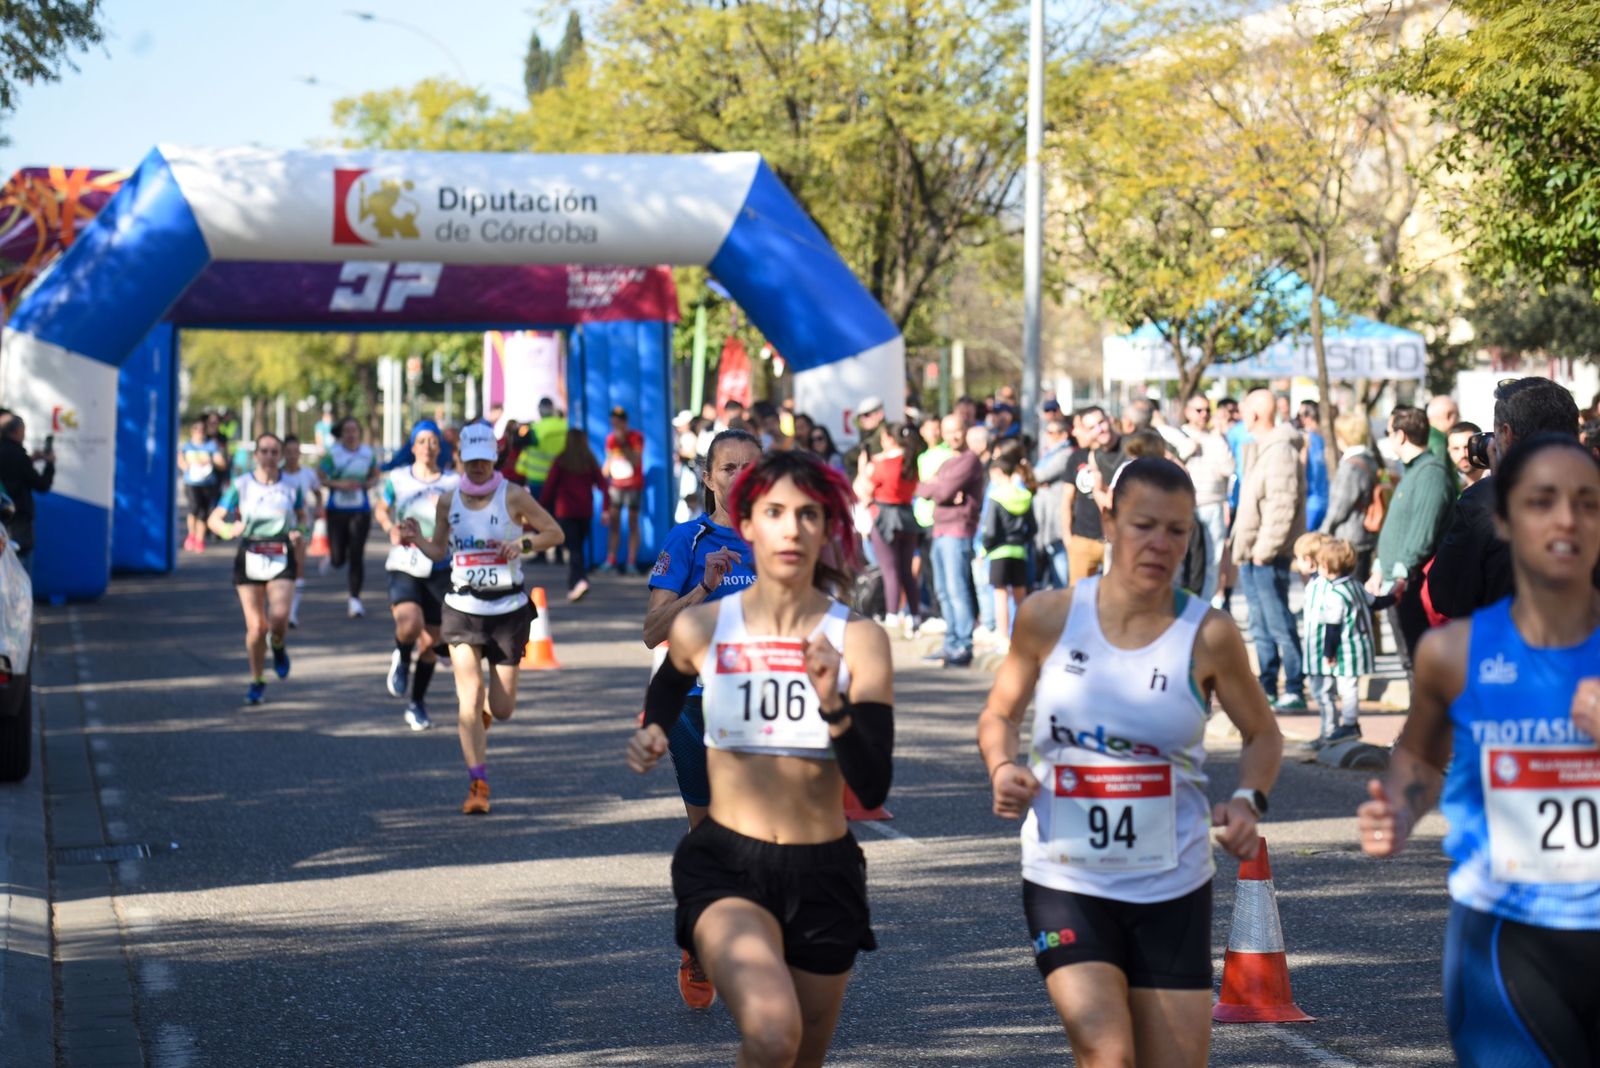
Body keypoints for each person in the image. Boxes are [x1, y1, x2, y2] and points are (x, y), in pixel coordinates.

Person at [978, 456, 1283, 1068]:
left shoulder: (1209, 633)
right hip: (1066, 876)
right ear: (1110, 521)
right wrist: (1001, 765)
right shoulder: (1049, 616)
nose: (1160, 544)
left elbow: (1262, 735)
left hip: (1172, 880)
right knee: (1108, 1052)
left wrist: (1249, 800)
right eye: (1145, 525)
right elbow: (1000, 715)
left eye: (1178, 531)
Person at [627, 449, 894, 1059]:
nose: (791, 528)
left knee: (799, 1055)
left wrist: (836, 708)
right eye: (775, 512)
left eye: (808, 515)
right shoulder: (703, 627)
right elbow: (668, 682)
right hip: (726, 864)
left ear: (827, 529)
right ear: (747, 525)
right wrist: (655, 731)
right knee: (773, 1033)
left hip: (824, 872)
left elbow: (873, 784)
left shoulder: (859, 641)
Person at [1357, 435, 1600, 1068]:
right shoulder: (1454, 655)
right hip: (1504, 940)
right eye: (1542, 501)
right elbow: (1419, 753)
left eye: (1587, 503)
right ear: (1504, 517)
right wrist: (1399, 810)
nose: (1567, 519)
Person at [642, 427, 762, 1009]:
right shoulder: (688, 540)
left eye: (751, 467)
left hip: (763, 707)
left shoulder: (780, 540)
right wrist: (701, 592)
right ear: (709, 477)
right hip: (696, 704)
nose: (740, 477)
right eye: (729, 468)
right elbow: (650, 633)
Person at [398, 421, 564, 815]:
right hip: (462, 608)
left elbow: (554, 533)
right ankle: (478, 783)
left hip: (507, 611)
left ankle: (486, 716)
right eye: (470, 461)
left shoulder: (515, 497)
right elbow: (439, 551)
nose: (477, 467)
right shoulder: (447, 500)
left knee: (502, 709)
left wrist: (522, 542)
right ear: (461, 459)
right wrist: (416, 539)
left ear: (494, 458)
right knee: (468, 697)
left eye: (484, 461)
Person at [1426, 377, 1591, 621]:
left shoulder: (1484, 501)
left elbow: (1446, 595)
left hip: (1509, 650)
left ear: (1505, 434)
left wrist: (1501, 480)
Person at [207, 433, 307, 706]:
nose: (270, 456)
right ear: (256, 455)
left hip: (280, 551)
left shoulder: (291, 485)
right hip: (250, 553)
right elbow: (214, 519)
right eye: (264, 451)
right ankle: (257, 679)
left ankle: (278, 643)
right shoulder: (240, 485)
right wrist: (229, 529)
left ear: (281, 456)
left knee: (278, 618)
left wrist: (299, 531)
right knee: (255, 626)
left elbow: (301, 515)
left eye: (275, 451)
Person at [373, 421, 459, 732]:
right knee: (409, 622)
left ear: (439, 446)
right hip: (405, 561)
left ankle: (417, 703)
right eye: (421, 441)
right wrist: (390, 528)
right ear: (413, 447)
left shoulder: (453, 481)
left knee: (434, 643)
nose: (427, 446)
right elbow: (382, 509)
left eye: (433, 441)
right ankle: (401, 654)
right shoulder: (398, 478)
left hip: (440, 566)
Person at [1230, 388, 1307, 711]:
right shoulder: (1261, 447)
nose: (1240, 415)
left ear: (1257, 414)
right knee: (1260, 624)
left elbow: (1282, 505)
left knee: (1277, 622)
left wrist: (1264, 548)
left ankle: (1293, 687)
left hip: (1266, 553)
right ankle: (1268, 686)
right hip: (1251, 551)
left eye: (1245, 410)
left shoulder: (1279, 450)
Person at [1372, 405, 1456, 661]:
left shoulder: (1431, 473)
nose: (1388, 438)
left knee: (1417, 659)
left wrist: (1399, 574)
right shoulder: (1413, 471)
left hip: (1409, 584)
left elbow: (1422, 533)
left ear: (1400, 435)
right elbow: (1399, 527)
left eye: (1388, 432)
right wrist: (1379, 567)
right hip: (1396, 581)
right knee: (1409, 657)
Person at [1302, 536, 1395, 748]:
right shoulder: (1355, 585)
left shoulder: (1335, 594)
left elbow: (1332, 628)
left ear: (1325, 566)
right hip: (1356, 647)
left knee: (1346, 688)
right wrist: (1395, 596)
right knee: (1346, 687)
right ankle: (1339, 726)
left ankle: (1349, 724)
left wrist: (1328, 653)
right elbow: (1376, 602)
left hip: (1345, 651)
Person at [916, 415, 984, 667]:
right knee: (943, 591)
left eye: (957, 431)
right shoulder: (948, 463)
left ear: (965, 431)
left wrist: (940, 489)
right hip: (939, 530)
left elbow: (939, 491)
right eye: (948, 432)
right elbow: (921, 489)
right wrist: (940, 489)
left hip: (958, 531)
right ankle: (950, 643)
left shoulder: (970, 461)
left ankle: (963, 645)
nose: (952, 436)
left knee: (957, 590)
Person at [861, 420, 923, 637]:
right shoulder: (912, 461)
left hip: (885, 516)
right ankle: (914, 616)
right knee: (906, 571)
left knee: (890, 570)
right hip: (907, 515)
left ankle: (892, 617)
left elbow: (864, 491)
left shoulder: (883, 464)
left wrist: (864, 468)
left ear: (888, 439)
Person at [318, 417, 380, 618]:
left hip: (359, 509)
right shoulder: (334, 454)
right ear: (342, 434)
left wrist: (369, 483)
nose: (351, 434)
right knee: (338, 559)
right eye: (347, 431)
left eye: (354, 430)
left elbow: (375, 474)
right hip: (337, 509)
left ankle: (355, 600)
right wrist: (339, 485)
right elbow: (320, 475)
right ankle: (332, 558)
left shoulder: (367, 453)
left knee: (356, 554)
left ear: (359, 433)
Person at [540, 427, 608, 602]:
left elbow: (549, 486)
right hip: (585, 510)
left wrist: (540, 508)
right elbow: (603, 485)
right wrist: (606, 507)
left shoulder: (561, 460)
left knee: (573, 548)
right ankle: (578, 581)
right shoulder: (589, 460)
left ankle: (578, 582)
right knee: (578, 547)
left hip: (565, 510)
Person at [1178, 395, 1234, 602]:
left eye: (1207, 410)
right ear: (1187, 411)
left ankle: (1205, 604)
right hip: (1186, 506)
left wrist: (1218, 437)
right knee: (1185, 558)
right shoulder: (1179, 435)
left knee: (1213, 559)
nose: (1204, 415)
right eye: (1198, 410)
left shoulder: (1215, 438)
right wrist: (1186, 449)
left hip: (1212, 504)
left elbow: (1228, 468)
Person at [1061, 407, 1122, 584]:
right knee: (1079, 600)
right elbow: (1067, 499)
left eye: (1101, 423)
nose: (1099, 430)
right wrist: (1067, 537)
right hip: (1083, 538)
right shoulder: (1078, 457)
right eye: (1091, 426)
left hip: (1116, 540)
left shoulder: (1124, 450)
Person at [981, 446, 1035, 642]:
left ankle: (1003, 637)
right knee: (1021, 595)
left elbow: (991, 530)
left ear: (997, 472)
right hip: (1019, 550)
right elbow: (1032, 527)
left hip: (998, 552)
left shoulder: (995, 497)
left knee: (1001, 596)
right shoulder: (1025, 496)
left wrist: (985, 548)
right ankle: (1024, 636)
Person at [1320, 411, 1381, 584]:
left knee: (1348, 589)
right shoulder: (1370, 460)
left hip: (1350, 536)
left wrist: (1323, 532)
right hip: (1366, 533)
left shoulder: (1351, 467)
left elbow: (1339, 507)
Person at [0, 413, 55, 577]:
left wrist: (30, 459)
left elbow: (10, 472)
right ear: (17, 431)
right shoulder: (18, 456)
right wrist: (50, 465)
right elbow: (42, 485)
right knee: (21, 572)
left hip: (3, 520)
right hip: (19, 521)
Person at [279, 436, 323, 629]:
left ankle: (292, 612)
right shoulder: (278, 474)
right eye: (288, 452)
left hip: (302, 524)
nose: (292, 456)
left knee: (298, 563)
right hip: (280, 527)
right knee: (281, 566)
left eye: (295, 452)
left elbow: (318, 492)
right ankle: (281, 606)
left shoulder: (307, 474)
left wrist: (320, 508)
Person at [1032, 415, 1074, 590]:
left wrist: (1036, 480)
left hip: (1057, 521)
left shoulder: (1065, 454)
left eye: (1052, 432)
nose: (1048, 436)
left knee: (1061, 568)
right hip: (1046, 520)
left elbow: (1038, 476)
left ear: (1063, 435)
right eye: (1047, 432)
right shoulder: (1049, 453)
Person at [603, 406, 647, 575]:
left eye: (618, 423)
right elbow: (608, 461)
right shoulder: (610, 439)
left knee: (632, 523)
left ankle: (631, 561)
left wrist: (623, 443)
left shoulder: (636, 437)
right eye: (613, 423)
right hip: (616, 485)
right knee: (614, 523)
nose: (616, 426)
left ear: (624, 422)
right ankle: (611, 559)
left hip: (633, 486)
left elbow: (636, 461)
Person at [178, 417, 225, 553]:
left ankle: (199, 539)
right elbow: (180, 460)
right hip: (192, 482)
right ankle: (191, 535)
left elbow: (221, 463)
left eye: (202, 430)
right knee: (194, 509)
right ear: (192, 431)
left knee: (203, 512)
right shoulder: (187, 446)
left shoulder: (210, 445)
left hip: (207, 483)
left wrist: (213, 460)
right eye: (197, 430)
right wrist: (185, 465)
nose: (200, 432)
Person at [1298, 400, 1330, 532]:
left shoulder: (1307, 439)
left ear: (1307, 417)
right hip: (1328, 500)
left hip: (1310, 500)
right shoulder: (1328, 438)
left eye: (1299, 415)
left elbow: (1301, 466)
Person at [1426, 394, 1462, 495]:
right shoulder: (1439, 442)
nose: (1459, 420)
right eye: (1458, 415)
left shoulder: (1424, 436)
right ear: (1448, 416)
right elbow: (1441, 482)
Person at [1447, 420, 1488, 489]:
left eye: (1467, 447)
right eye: (1456, 449)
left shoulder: (1496, 482)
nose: (1462, 455)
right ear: (1449, 451)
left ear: (1480, 446)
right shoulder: (1456, 488)